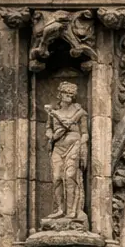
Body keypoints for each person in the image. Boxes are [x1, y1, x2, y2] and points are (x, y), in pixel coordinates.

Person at [43, 81, 89, 228]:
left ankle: (71, 211)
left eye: (71, 94)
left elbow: (85, 133)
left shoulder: (80, 113)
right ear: (60, 94)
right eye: (66, 93)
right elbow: (48, 129)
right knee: (57, 177)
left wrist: (83, 146)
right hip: (58, 146)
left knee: (70, 176)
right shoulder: (53, 113)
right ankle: (60, 209)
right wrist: (50, 136)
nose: (69, 96)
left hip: (73, 145)